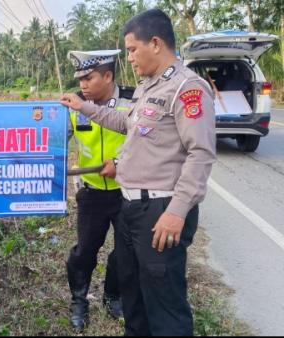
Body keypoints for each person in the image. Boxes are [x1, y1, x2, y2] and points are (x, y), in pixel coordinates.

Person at [60, 8, 216, 336]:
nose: (129, 57)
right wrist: (83, 107)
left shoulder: (187, 89)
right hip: (131, 207)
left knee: (164, 303)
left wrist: (176, 212)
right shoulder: (147, 88)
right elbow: (125, 122)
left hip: (160, 211)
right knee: (135, 297)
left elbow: (200, 154)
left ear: (155, 43)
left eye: (132, 49)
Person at [64, 49, 133, 331]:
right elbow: (57, 140)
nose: (82, 85)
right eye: (79, 78)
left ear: (108, 76)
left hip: (128, 192)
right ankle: (79, 300)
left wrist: (120, 163)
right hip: (92, 191)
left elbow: (149, 141)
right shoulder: (74, 105)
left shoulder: (135, 100)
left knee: (125, 250)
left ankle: (112, 296)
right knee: (85, 251)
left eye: (88, 78)